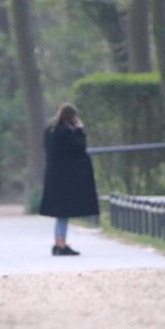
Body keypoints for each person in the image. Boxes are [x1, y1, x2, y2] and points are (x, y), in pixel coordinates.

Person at [39, 102, 99, 256]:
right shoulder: (66, 133)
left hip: (54, 177)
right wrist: (80, 131)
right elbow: (79, 148)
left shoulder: (49, 131)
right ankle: (60, 244)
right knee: (63, 213)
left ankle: (60, 241)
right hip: (66, 178)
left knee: (61, 214)